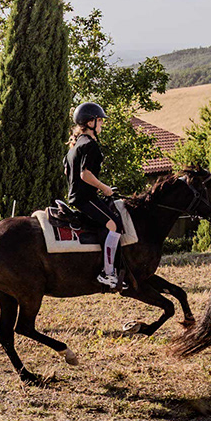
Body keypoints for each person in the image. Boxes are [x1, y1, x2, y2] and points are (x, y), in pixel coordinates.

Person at [64, 102, 125, 290]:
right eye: (100, 120)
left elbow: (67, 172)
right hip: (86, 199)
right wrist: (104, 188)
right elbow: (85, 175)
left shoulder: (75, 146)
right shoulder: (90, 145)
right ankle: (108, 273)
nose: (102, 124)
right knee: (115, 224)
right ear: (90, 122)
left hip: (77, 197)